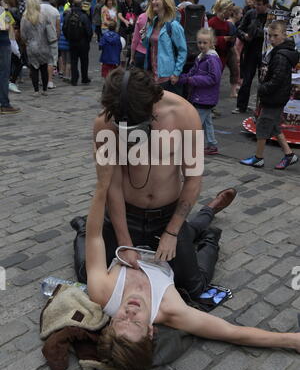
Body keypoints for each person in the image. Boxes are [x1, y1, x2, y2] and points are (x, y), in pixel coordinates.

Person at [86, 151, 300, 370]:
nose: (130, 311)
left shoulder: (101, 292)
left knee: (85, 262)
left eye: (121, 319)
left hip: (132, 244)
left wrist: (102, 185)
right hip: (167, 258)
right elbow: (231, 332)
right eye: (136, 322)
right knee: (197, 280)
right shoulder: (172, 311)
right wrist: (292, 340)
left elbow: (94, 237)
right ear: (150, 331)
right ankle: (211, 219)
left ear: (110, 323)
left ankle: (206, 212)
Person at [87, 66, 236, 296]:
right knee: (91, 278)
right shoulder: (105, 123)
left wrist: (173, 232)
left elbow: (193, 178)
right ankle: (82, 228)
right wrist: (125, 243)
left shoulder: (183, 114)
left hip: (168, 215)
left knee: (193, 288)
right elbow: (112, 186)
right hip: (127, 214)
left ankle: (208, 230)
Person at [240, 21, 299, 170]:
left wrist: (262, 88)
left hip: (274, 97)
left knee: (262, 126)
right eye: (270, 36)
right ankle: (289, 154)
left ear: (284, 35)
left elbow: (276, 80)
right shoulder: (280, 52)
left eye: (276, 36)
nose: (272, 39)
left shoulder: (280, 55)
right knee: (272, 126)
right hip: (276, 96)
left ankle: (258, 158)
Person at [178, 28, 222, 155]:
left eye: (204, 43)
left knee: (194, 124)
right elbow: (192, 72)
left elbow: (214, 78)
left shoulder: (211, 59)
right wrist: (182, 79)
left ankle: (186, 147)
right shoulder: (201, 57)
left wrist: (192, 80)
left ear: (211, 43)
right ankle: (212, 145)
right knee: (207, 123)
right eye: (199, 42)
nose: (201, 45)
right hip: (201, 97)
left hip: (205, 98)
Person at [143, 0, 187, 95]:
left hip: (167, 76)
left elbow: (183, 51)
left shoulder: (173, 25)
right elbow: (147, 46)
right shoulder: (153, 22)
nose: (153, 1)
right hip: (152, 74)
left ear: (166, 2)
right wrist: (144, 36)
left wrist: (176, 73)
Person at [232, 0, 269, 114]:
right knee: (247, 79)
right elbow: (239, 29)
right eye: (256, 5)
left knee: (263, 80)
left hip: (265, 51)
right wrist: (244, 36)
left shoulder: (270, 16)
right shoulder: (250, 13)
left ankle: (261, 108)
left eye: (259, 5)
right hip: (251, 50)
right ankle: (241, 106)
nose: (257, 7)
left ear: (266, 5)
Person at [20, 0, 54, 96]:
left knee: (34, 68)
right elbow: (49, 31)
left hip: (31, 46)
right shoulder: (43, 16)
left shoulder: (24, 18)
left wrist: (26, 41)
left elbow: (23, 35)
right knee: (44, 68)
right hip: (44, 45)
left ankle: (36, 91)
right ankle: (44, 89)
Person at [63, 0, 93, 86]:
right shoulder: (84, 15)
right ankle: (84, 78)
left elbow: (64, 28)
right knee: (84, 61)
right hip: (83, 42)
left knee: (73, 61)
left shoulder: (68, 15)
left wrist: (68, 38)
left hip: (72, 42)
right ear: (81, 5)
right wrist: (88, 40)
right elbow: (89, 30)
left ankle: (74, 79)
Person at [0, 0, 20, 114]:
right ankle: (4, 104)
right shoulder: (2, 10)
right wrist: (5, 9)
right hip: (2, 44)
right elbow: (7, 25)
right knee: (4, 74)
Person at [40, 0, 60, 89]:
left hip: (39, 37)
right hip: (52, 38)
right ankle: (50, 81)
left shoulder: (37, 8)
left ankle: (41, 79)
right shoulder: (54, 10)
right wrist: (57, 36)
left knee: (40, 59)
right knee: (51, 60)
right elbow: (57, 27)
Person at [208, 0, 234, 69]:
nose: (231, 12)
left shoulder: (227, 24)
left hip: (223, 56)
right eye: (230, 10)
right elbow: (208, 40)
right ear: (224, 10)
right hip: (213, 56)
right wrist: (223, 39)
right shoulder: (212, 22)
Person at [227, 5, 243, 98]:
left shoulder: (232, 24)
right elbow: (231, 43)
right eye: (240, 13)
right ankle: (233, 92)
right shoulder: (230, 24)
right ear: (235, 14)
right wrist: (236, 54)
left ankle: (233, 91)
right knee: (235, 70)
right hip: (229, 50)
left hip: (229, 50)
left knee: (235, 70)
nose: (241, 15)